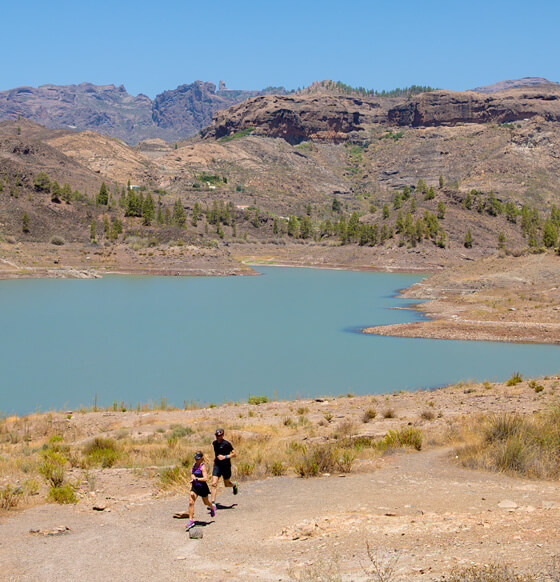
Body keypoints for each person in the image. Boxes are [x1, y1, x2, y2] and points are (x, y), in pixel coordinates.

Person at [185, 451, 215, 531]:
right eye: (195, 459)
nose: (196, 460)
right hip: (195, 487)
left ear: (201, 458)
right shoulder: (194, 465)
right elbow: (192, 474)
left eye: (198, 459)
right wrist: (192, 478)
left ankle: (212, 507)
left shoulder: (203, 467)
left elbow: (205, 478)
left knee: (206, 502)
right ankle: (190, 521)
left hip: (202, 487)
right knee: (191, 502)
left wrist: (197, 479)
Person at [211, 428, 238, 508]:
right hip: (217, 466)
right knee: (214, 484)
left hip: (226, 466)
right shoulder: (214, 443)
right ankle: (213, 503)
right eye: (216, 436)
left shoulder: (226, 444)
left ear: (223, 435)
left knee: (227, 484)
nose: (218, 437)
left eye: (219, 436)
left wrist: (225, 457)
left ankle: (234, 485)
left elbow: (234, 454)